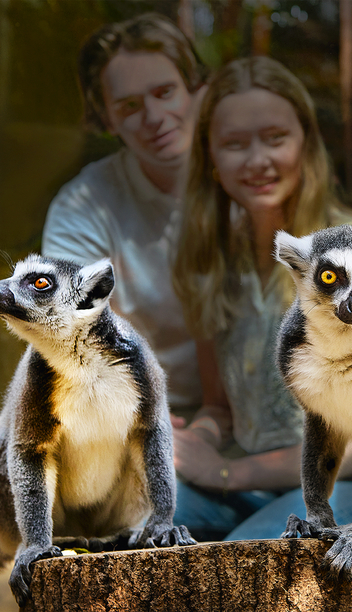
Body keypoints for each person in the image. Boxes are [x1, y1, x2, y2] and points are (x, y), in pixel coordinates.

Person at [171, 56, 352, 540]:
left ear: (305, 144)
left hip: (351, 481)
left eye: (275, 138)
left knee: (250, 565)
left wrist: (228, 474)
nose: (257, 159)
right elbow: (220, 408)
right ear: (211, 158)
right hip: (246, 480)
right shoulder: (207, 262)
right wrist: (189, 442)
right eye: (234, 144)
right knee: (140, 519)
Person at [42, 13, 206, 409]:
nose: (153, 117)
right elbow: (69, 342)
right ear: (106, 119)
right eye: (129, 106)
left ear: (194, 90)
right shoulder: (83, 206)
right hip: (139, 414)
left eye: (165, 92)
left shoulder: (251, 180)